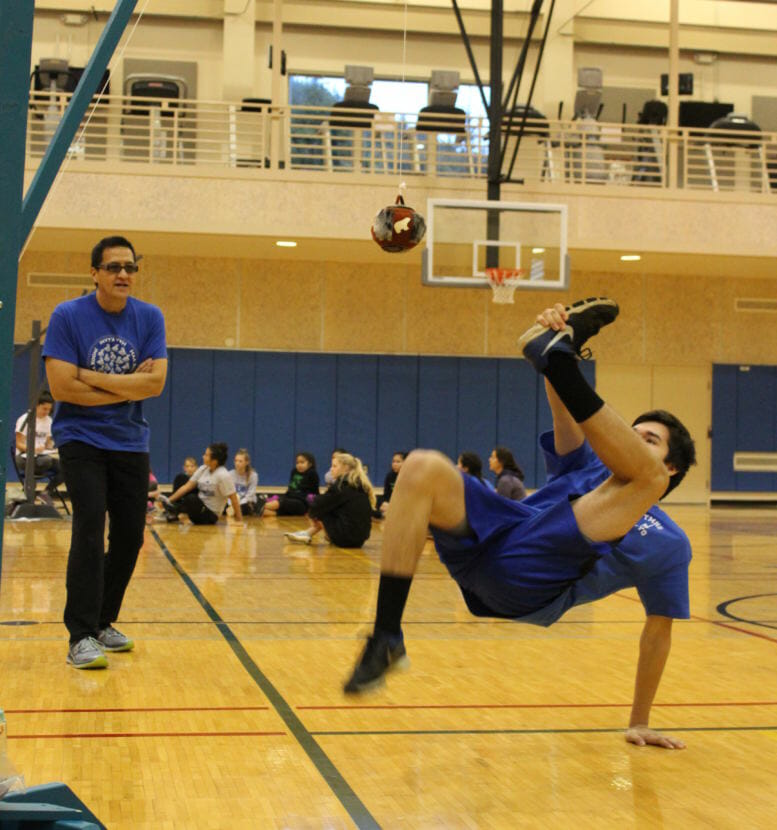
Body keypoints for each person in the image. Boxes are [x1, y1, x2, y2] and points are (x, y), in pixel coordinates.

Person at [344, 298, 697, 751]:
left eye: (646, 440)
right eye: (629, 433)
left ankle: (560, 357)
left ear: (673, 466)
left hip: (530, 585)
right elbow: (564, 412)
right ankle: (386, 638)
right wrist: (560, 338)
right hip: (494, 539)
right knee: (421, 466)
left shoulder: (670, 542)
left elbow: (658, 633)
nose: (630, 441)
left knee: (644, 480)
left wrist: (640, 720)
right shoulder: (587, 465)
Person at [43, 235, 167, 670]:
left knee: (131, 536)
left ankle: (101, 621)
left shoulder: (149, 317)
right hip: (80, 438)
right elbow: (62, 388)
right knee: (90, 526)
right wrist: (128, 385)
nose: (123, 274)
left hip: (130, 441)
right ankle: (80, 635)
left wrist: (90, 377)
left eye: (130, 267)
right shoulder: (68, 316)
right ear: (94, 273)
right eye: (114, 267)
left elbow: (155, 384)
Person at [285, 452, 375, 547]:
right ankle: (307, 533)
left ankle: (308, 533)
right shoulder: (360, 484)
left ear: (345, 468)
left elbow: (317, 504)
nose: (331, 469)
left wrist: (312, 513)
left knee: (320, 509)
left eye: (334, 466)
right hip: (360, 540)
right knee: (327, 507)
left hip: (345, 539)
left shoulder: (341, 485)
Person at [160, 443, 242, 525]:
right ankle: (172, 512)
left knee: (191, 499)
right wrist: (168, 501)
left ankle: (174, 510)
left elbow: (234, 499)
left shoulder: (223, 475)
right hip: (198, 505)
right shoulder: (203, 468)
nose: (203, 456)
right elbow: (186, 487)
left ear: (214, 461)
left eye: (206, 455)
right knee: (181, 478)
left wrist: (239, 520)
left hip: (209, 515)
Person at [14, 390, 65, 503]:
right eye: (44, 409)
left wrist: (52, 448)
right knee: (46, 461)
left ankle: (46, 493)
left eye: (49, 410)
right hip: (24, 457)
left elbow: (47, 444)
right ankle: (28, 489)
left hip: (42, 457)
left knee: (65, 468)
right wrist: (32, 449)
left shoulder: (49, 421)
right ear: (36, 406)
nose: (47, 412)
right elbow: (18, 444)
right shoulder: (25, 419)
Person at [230, 448, 263, 516]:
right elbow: (228, 493)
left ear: (247, 462)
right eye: (236, 461)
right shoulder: (230, 474)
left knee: (245, 508)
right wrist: (231, 504)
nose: (237, 463)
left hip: (246, 502)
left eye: (240, 461)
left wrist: (237, 505)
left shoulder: (253, 476)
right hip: (233, 502)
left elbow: (250, 495)